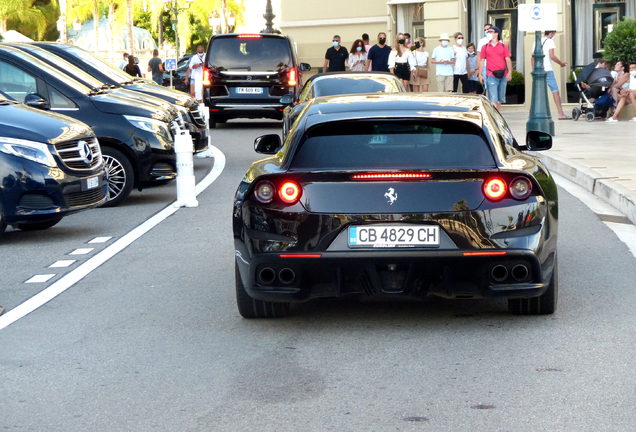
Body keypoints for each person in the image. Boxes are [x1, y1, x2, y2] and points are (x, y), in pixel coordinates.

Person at [531, 30, 569, 119]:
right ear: (551, 33)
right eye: (554, 34)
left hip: (538, 71)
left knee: (539, 92)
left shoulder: (536, 41)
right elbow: (552, 56)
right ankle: (561, 113)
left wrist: (533, 70)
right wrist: (561, 63)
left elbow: (532, 58)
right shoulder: (550, 41)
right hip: (547, 69)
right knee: (555, 91)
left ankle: (538, 112)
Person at [477, 26, 512, 110]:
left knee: (500, 98)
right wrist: (480, 74)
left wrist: (510, 72)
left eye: (490, 31)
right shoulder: (485, 47)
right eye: (488, 32)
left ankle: (497, 115)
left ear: (496, 34)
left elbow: (508, 59)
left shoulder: (504, 46)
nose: (488, 33)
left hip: (502, 74)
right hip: (491, 74)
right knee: (493, 98)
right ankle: (495, 118)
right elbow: (482, 61)